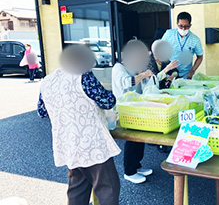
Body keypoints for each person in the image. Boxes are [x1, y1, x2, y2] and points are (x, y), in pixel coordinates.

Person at [37, 45, 121, 205]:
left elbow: (42, 112)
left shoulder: (47, 81)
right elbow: (107, 101)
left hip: (68, 143)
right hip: (92, 144)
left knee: (77, 188)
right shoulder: (83, 75)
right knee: (108, 187)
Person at [111, 39, 155, 184]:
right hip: (124, 110)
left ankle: (137, 165)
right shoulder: (118, 68)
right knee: (132, 139)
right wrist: (142, 75)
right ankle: (129, 171)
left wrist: (146, 76)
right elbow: (126, 82)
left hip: (137, 108)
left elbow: (144, 87)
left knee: (139, 139)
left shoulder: (135, 68)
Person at [161, 12, 203, 79]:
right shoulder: (169, 34)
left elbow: (200, 57)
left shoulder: (195, 39)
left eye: (186, 26)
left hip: (186, 74)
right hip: (170, 73)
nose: (183, 29)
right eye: (181, 26)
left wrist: (192, 71)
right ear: (177, 24)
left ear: (190, 25)